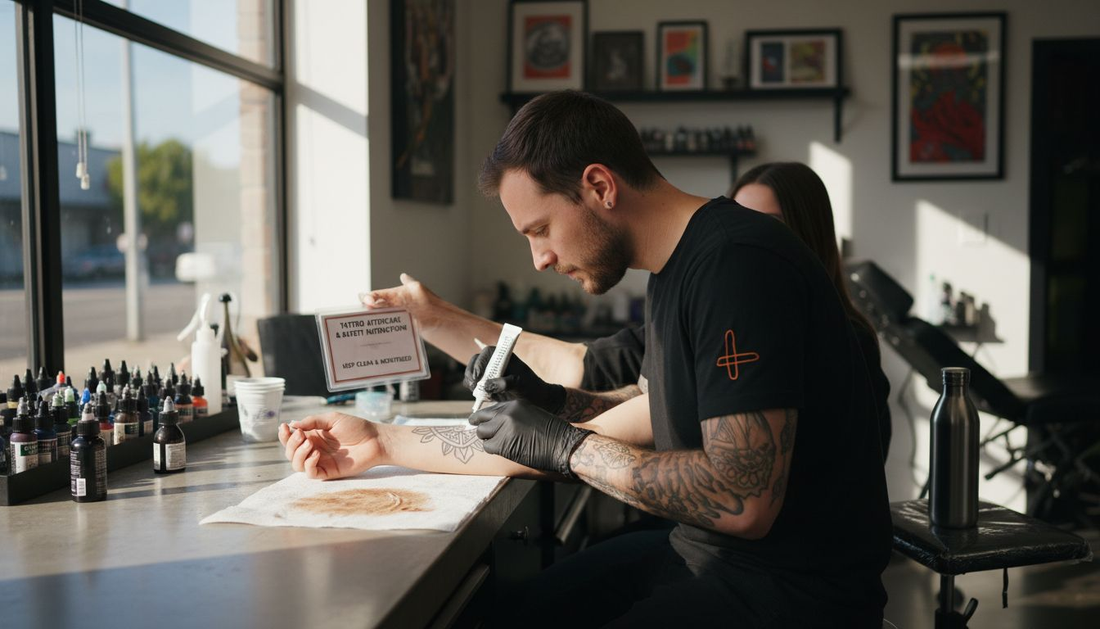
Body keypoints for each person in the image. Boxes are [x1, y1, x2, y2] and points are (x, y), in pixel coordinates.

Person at [282, 91, 891, 627]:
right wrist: (386, 440)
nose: (538, 258)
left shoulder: (738, 265)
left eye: (540, 229)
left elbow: (743, 499)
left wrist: (566, 446)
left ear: (600, 186)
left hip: (790, 598)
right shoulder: (674, 272)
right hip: (707, 558)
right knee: (518, 611)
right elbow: (643, 411)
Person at [364, 162, 892, 460]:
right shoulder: (683, 284)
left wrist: (388, 443)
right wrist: (435, 319)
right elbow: (586, 371)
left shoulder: (756, 281)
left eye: (764, 224)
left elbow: (738, 494)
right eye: (738, 214)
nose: (541, 259)